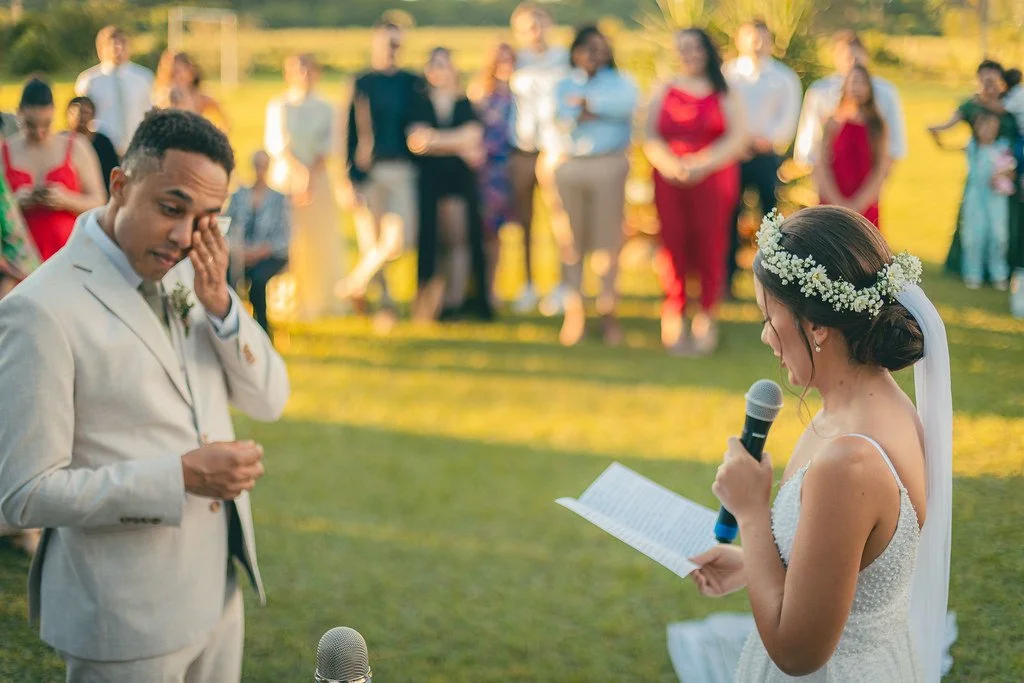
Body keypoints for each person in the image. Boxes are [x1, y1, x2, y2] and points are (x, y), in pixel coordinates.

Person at [0, 108, 290, 682]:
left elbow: (270, 399)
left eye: (207, 218)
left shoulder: (191, 274)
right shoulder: (39, 311)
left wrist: (225, 309)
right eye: (171, 208)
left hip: (218, 587)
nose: (186, 237)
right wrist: (180, 475)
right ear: (119, 185)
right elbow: (25, 496)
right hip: (123, 618)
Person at [681, 206, 952, 683]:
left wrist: (750, 514)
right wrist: (753, 564)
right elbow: (852, 567)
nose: (767, 337)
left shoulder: (849, 462)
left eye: (771, 317)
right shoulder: (861, 407)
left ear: (817, 326)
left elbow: (798, 652)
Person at [643, 28, 747, 356]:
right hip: (669, 179)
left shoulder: (724, 92)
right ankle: (674, 308)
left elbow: (736, 138)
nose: (689, 54)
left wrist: (702, 163)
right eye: (682, 48)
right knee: (672, 243)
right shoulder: (663, 89)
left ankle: (706, 313)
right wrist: (669, 163)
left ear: (707, 51)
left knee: (710, 243)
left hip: (713, 178)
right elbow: (649, 135)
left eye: (695, 48)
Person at [552, 25, 638, 347]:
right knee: (570, 243)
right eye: (586, 48)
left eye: (599, 48)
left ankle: (607, 310)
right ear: (575, 51)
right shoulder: (562, 83)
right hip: (570, 165)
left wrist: (590, 105)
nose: (592, 55)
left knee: (608, 245)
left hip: (609, 165)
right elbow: (560, 115)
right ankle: (575, 313)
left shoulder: (621, 82)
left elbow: (625, 107)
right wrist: (591, 108)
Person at [340, 21, 423, 329]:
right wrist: (347, 179)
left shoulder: (411, 82)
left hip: (403, 170)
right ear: (375, 43)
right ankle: (385, 308)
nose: (392, 50)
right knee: (372, 242)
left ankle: (353, 284)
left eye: (397, 44)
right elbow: (346, 132)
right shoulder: (360, 82)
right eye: (387, 43)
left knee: (398, 242)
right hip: (368, 172)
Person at [406, 48, 493, 322]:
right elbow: (416, 142)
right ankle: (434, 302)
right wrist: (455, 144)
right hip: (430, 182)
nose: (439, 70)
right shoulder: (418, 103)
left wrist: (434, 141)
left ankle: (456, 300)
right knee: (435, 242)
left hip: (458, 181)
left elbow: (473, 138)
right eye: (434, 65)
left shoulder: (464, 103)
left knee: (458, 240)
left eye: (444, 65)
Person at [723, 20, 802, 297]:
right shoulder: (728, 74)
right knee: (729, 214)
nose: (757, 44)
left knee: (769, 218)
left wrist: (765, 141)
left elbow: (788, 117)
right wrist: (738, 142)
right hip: (733, 155)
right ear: (739, 40)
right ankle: (726, 281)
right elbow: (723, 111)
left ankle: (773, 281)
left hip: (767, 156)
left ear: (770, 42)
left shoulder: (784, 77)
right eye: (751, 38)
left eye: (762, 39)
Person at [265, 53, 345, 322]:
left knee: (318, 239)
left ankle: (319, 299)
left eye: (308, 69)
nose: (304, 75)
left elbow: (329, 145)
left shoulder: (327, 106)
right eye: (298, 70)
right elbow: (279, 145)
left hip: (319, 182)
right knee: (288, 241)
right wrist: (301, 175)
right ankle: (288, 301)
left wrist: (311, 176)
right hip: (285, 181)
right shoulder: (279, 105)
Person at [929, 60, 1023, 282]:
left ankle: (1002, 271)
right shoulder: (971, 106)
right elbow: (950, 125)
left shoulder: (1011, 105)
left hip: (1006, 174)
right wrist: (937, 130)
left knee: (1002, 229)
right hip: (979, 176)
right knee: (974, 226)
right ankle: (972, 270)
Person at [508, 1, 571, 314]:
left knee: (560, 220)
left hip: (556, 149)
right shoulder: (515, 62)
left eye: (540, 23)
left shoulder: (564, 58)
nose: (535, 30)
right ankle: (528, 284)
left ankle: (562, 286)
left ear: (549, 24)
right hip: (521, 149)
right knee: (525, 221)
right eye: (527, 26)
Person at [2, 79, 106, 262]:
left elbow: (99, 202)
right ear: (19, 113)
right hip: (21, 260)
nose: (40, 132)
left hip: (70, 255)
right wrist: (14, 202)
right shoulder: (5, 152)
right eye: (31, 126)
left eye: (46, 124)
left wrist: (66, 200)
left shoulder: (76, 147)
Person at [794, 31, 907, 179]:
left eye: (857, 57)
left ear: (865, 56)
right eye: (847, 57)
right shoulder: (820, 91)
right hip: (829, 175)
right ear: (835, 58)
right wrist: (819, 178)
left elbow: (894, 141)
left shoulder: (885, 92)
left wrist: (880, 177)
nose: (852, 62)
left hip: (869, 173)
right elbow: (810, 136)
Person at [470, 42, 518, 306]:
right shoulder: (480, 92)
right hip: (485, 170)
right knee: (484, 229)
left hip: (509, 167)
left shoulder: (518, 92)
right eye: (500, 61)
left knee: (499, 232)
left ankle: (493, 288)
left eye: (510, 60)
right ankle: (479, 287)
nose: (506, 66)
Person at [813, 65, 889, 228]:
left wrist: (859, 204)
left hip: (864, 202)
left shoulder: (877, 125)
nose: (857, 88)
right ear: (845, 86)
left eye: (862, 83)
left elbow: (880, 168)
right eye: (853, 82)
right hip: (833, 199)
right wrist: (836, 201)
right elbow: (821, 164)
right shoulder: (832, 122)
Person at [225, 150, 291, 335]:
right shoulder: (239, 195)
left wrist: (261, 251)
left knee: (258, 281)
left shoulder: (279, 198)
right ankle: (235, 326)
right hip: (241, 254)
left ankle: (262, 330)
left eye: (263, 166)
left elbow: (284, 237)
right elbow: (228, 225)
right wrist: (240, 250)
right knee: (229, 277)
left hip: (271, 254)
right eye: (256, 166)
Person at [74, 25, 154, 156]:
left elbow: (148, 112)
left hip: (137, 147)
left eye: (123, 44)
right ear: (101, 49)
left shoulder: (144, 77)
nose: (119, 50)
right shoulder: (89, 80)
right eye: (113, 45)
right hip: (102, 149)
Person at [153, 51, 231, 133]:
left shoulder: (200, 98)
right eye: (173, 74)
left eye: (179, 72)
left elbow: (225, 122)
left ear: (191, 73)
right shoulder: (163, 96)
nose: (177, 78)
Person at [65, 96, 120, 195]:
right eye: (75, 112)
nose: (80, 117)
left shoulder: (103, 143)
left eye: (85, 113)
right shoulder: (61, 141)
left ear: (93, 115)